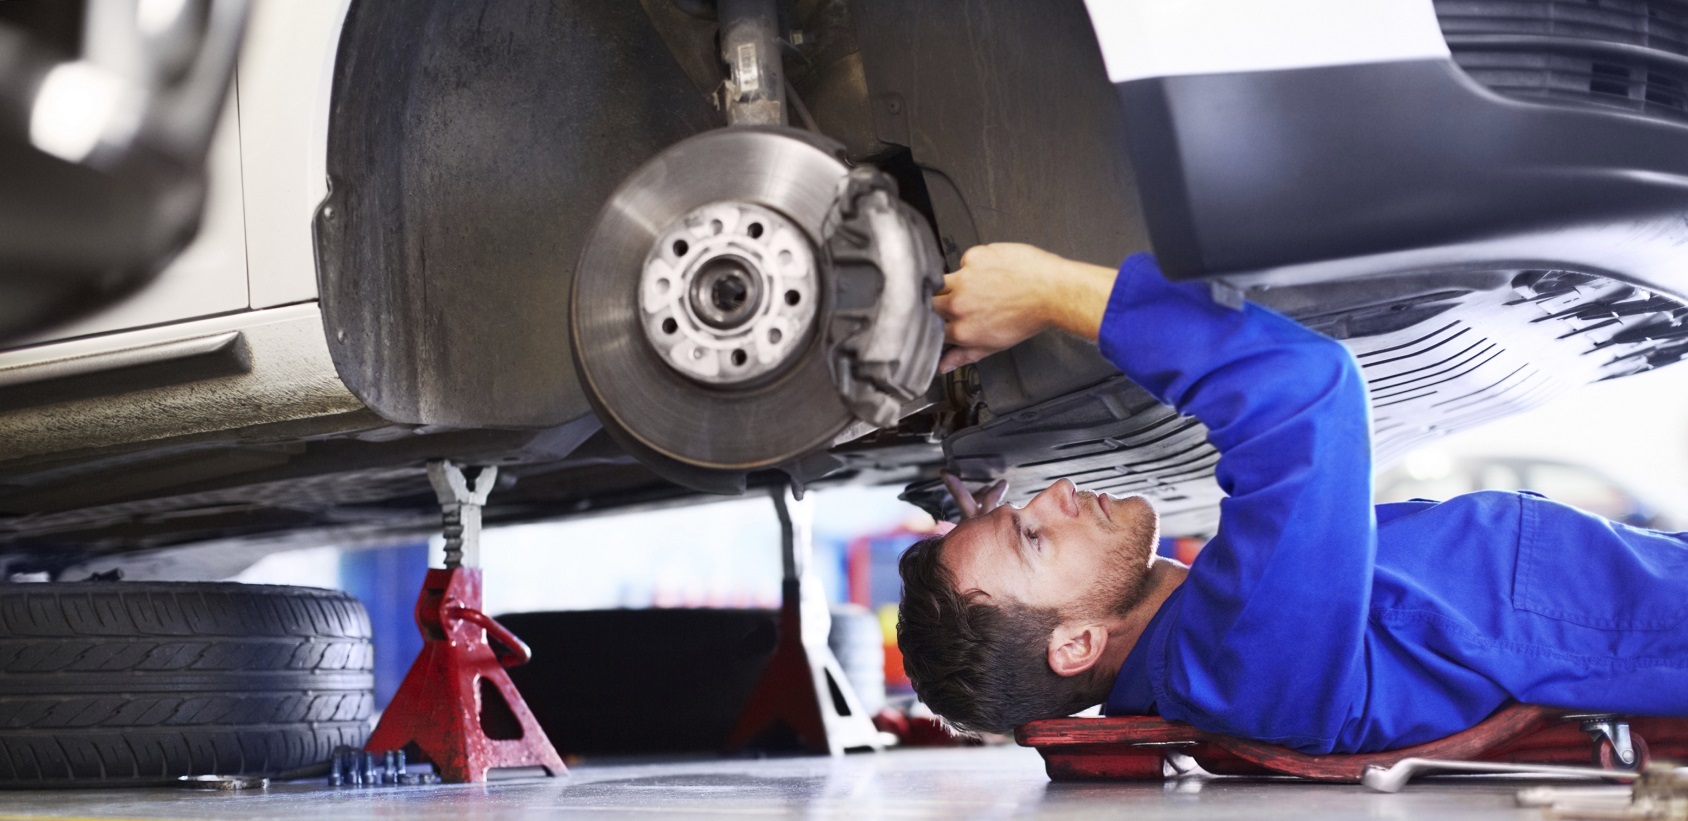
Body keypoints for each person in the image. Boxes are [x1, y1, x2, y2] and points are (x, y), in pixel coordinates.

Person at [897, 243, 1688, 754]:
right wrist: (1048, 288)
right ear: (1074, 648)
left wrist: (993, 529)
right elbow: (1304, 392)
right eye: (1035, 536)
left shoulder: (1215, 640)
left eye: (1024, 508)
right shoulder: (1237, 660)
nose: (1058, 492)